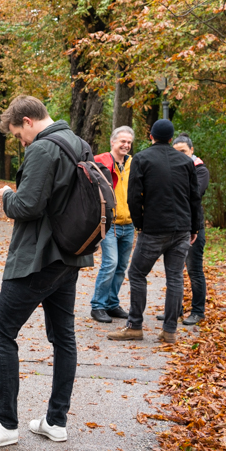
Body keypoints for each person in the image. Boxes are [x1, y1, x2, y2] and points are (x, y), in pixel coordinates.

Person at [0, 95, 93, 450]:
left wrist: (8, 195)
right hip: (70, 255)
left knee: (0, 332)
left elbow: (27, 206)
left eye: (18, 134)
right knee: (63, 337)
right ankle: (56, 421)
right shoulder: (79, 144)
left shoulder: (42, 148)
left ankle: (6, 424)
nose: (21, 142)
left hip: (38, 258)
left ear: (27, 121)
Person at [107, 119, 201, 344]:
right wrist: (194, 227)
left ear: (151, 136)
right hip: (181, 228)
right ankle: (169, 331)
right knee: (175, 277)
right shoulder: (185, 161)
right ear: (171, 138)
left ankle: (134, 326)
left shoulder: (141, 159)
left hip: (154, 228)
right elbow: (194, 197)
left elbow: (133, 196)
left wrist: (140, 224)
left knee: (137, 273)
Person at [90, 126, 135, 323]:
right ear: (113, 142)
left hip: (129, 223)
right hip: (110, 223)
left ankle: (112, 303)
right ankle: (98, 306)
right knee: (110, 263)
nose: (126, 145)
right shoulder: (100, 162)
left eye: (129, 142)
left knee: (121, 267)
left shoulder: (134, 164)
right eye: (123, 141)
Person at [172, 133, 210, 325]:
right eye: (176, 152)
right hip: (174, 226)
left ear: (191, 150)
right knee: (174, 271)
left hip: (194, 226)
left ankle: (197, 311)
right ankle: (175, 310)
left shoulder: (200, 170)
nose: (180, 155)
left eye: (184, 151)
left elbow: (194, 193)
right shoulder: (172, 168)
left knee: (194, 270)